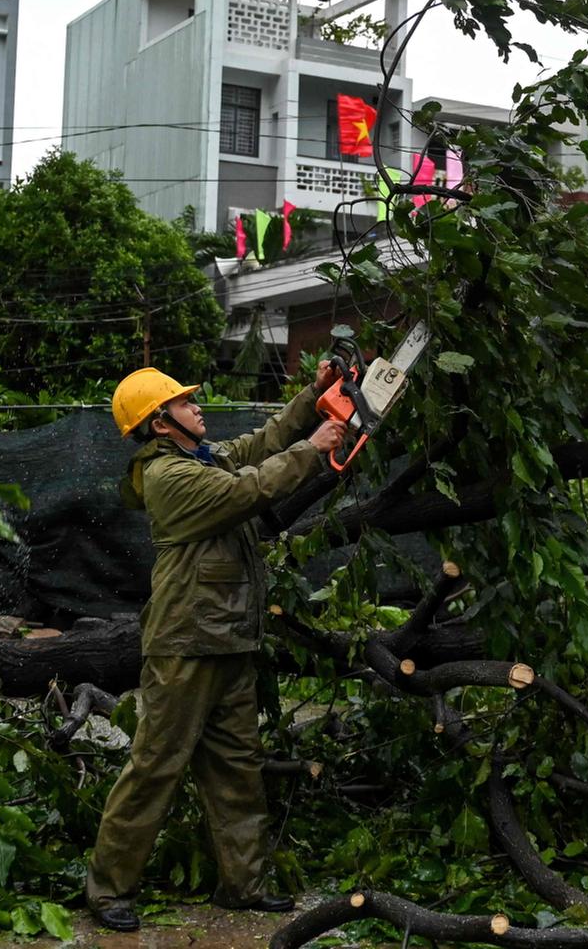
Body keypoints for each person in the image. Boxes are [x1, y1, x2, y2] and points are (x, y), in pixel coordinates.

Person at [85, 363, 346, 932]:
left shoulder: (200, 456)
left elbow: (263, 441)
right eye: (183, 403)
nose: (196, 407)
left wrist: (314, 396)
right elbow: (248, 490)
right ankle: (108, 891)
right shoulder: (168, 478)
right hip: (185, 644)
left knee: (236, 770)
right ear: (159, 425)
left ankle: (244, 886)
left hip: (227, 638)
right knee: (156, 765)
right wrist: (315, 448)